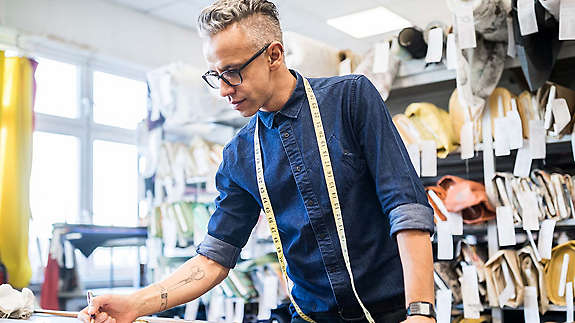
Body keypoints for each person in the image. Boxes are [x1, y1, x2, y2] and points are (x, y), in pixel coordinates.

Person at [78, 1, 436, 322]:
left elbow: (405, 206)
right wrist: (135, 304)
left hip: (393, 313)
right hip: (311, 318)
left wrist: (421, 312)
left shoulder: (350, 99)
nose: (223, 88)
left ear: (274, 55)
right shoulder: (239, 155)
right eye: (216, 75)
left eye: (233, 71)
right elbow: (212, 260)